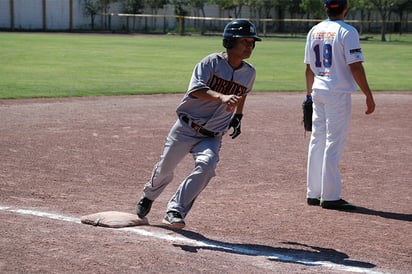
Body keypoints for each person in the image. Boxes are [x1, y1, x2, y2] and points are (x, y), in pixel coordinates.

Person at [135, 19, 261, 228]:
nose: (250, 46)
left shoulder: (249, 72)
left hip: (212, 135)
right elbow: (195, 90)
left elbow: (242, 93)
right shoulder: (210, 63)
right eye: (245, 41)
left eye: (252, 42)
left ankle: (175, 209)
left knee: (207, 166)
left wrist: (238, 116)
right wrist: (221, 97)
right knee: (165, 169)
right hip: (186, 128)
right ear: (229, 42)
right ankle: (149, 195)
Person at [304, 0, 375, 210]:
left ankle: (313, 192)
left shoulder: (314, 30)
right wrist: (368, 95)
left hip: (318, 90)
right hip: (338, 92)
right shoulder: (347, 31)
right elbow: (355, 66)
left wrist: (308, 95)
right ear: (346, 8)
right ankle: (331, 196)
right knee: (333, 142)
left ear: (325, 8)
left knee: (317, 140)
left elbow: (309, 68)